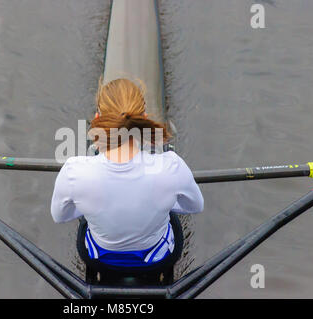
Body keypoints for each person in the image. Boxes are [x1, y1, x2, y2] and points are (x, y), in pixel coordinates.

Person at [51, 78, 203, 268]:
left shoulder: (74, 170)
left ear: (97, 118)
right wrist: (160, 200)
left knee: (84, 217)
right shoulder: (171, 165)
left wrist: (91, 202)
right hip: (157, 260)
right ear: (144, 117)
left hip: (99, 260)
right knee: (171, 214)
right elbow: (195, 206)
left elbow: (60, 216)